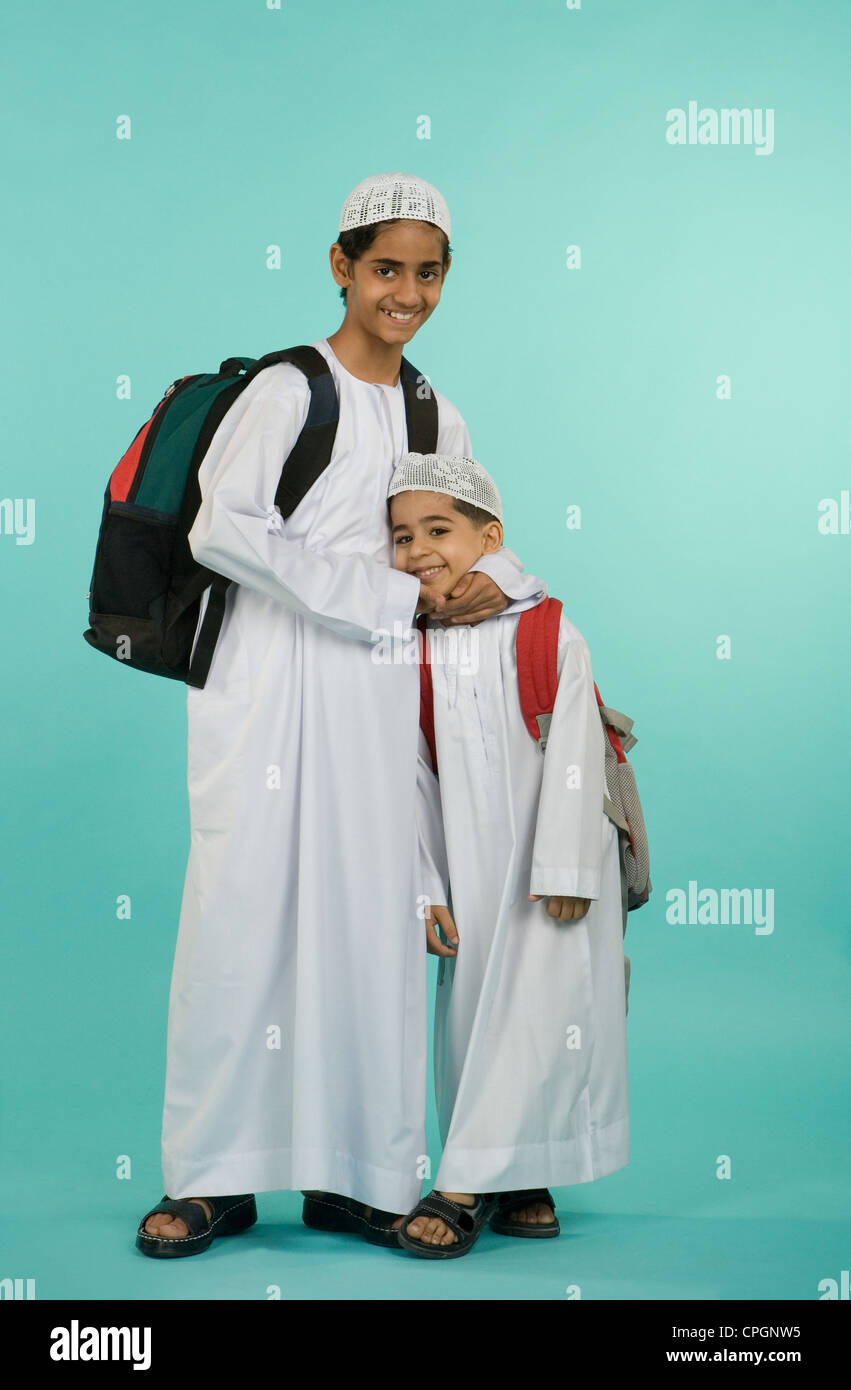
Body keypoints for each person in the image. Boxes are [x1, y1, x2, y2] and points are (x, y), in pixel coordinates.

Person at [136, 174, 547, 1257]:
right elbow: (222, 531)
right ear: (339, 266)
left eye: (425, 273)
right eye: (384, 270)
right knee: (241, 915)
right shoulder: (287, 389)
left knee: (369, 923)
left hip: (373, 686)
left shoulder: (433, 410)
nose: (404, 292)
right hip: (262, 685)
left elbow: (468, 526)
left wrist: (488, 579)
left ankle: (359, 1179)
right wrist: (384, 590)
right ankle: (213, 1179)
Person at [386, 452, 630, 1259]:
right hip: (470, 871)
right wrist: (425, 889)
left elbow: (576, 748)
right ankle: (521, 1176)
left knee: (545, 1017)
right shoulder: (408, 648)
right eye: (400, 536)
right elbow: (410, 779)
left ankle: (460, 1186)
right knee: (477, 1028)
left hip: (553, 869)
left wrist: (563, 867)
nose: (418, 548)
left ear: (489, 538)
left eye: (439, 529)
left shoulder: (546, 627)